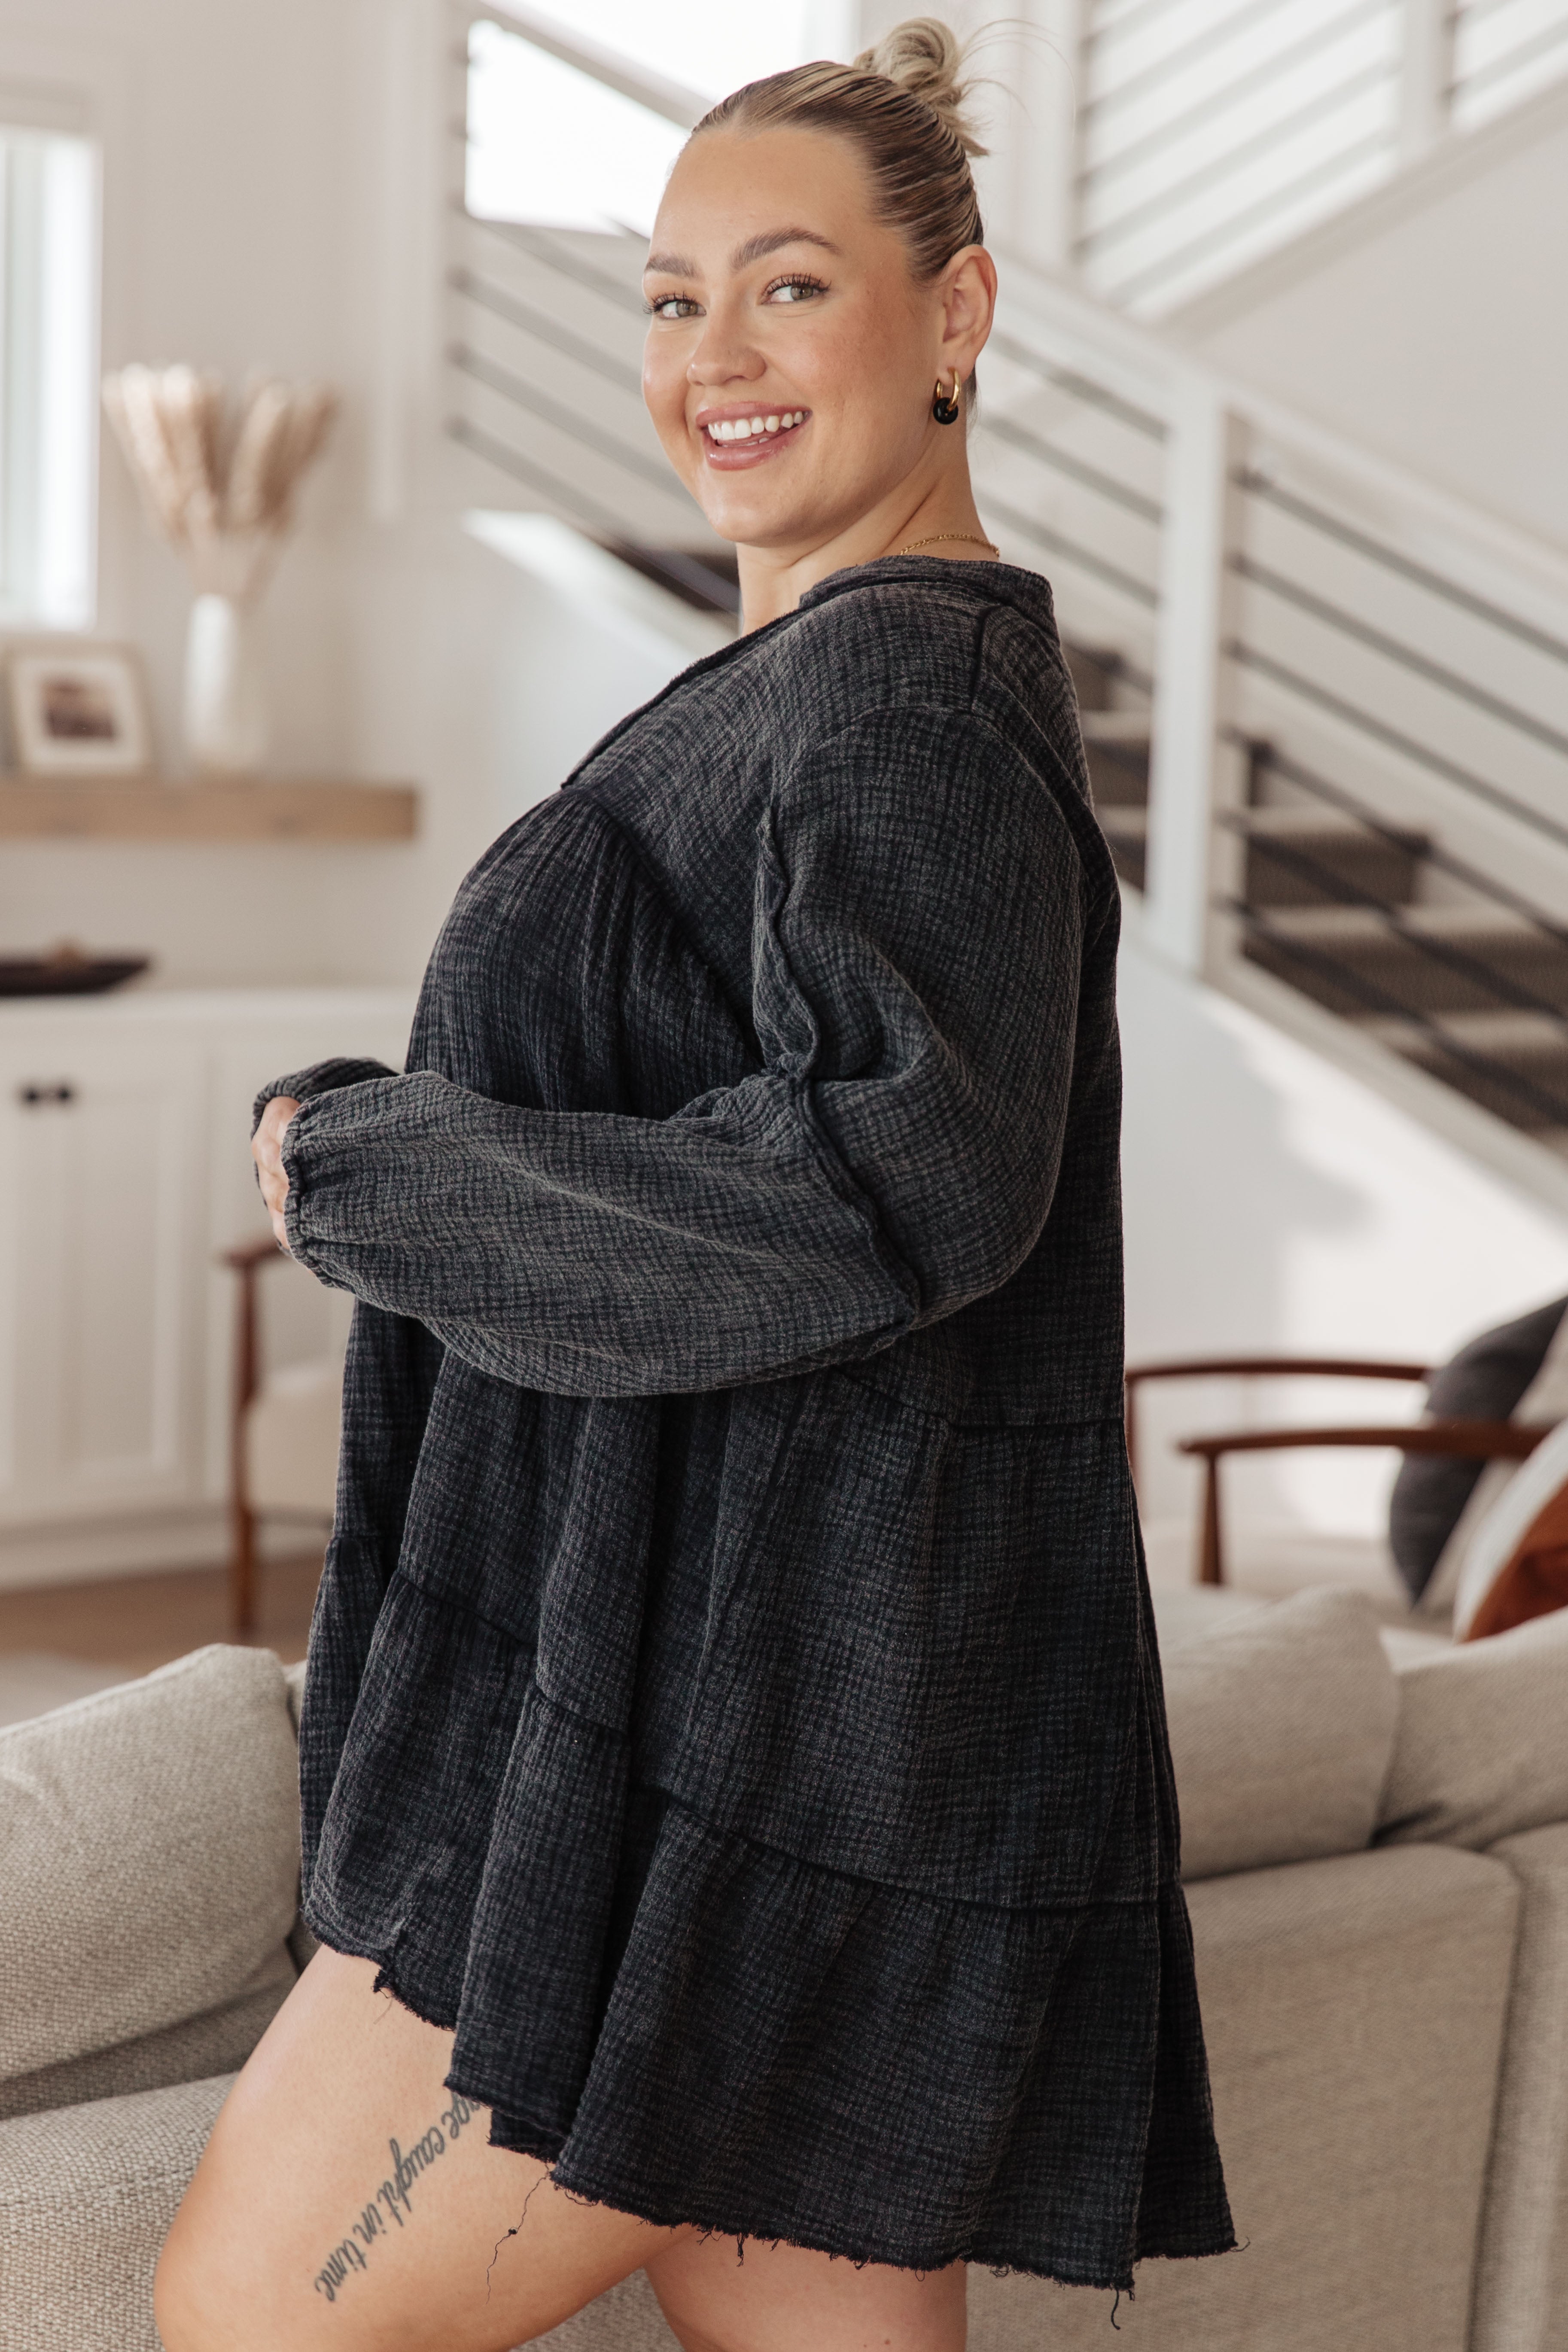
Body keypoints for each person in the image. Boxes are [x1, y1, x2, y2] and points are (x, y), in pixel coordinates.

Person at [156, 22, 1233, 2352]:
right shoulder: (821, 686)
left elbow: (890, 1184)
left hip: (714, 1769)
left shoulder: (896, 705)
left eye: (784, 288)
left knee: (256, 2311)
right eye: (666, 298)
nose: (709, 357)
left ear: (951, 317)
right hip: (764, 1734)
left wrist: (364, 1161)